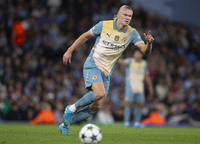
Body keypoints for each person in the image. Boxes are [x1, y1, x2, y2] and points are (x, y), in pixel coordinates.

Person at [58, 5, 154, 135]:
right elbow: (85, 36)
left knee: (96, 106)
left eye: (130, 16)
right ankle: (71, 108)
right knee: (99, 93)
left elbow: (145, 52)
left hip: (106, 73)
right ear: (118, 15)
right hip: (93, 64)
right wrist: (69, 50)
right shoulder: (103, 25)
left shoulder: (132, 33)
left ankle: (65, 124)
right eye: (125, 15)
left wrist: (149, 44)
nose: (127, 18)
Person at [118, 49, 154, 128]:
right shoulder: (130, 61)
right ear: (134, 54)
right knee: (128, 104)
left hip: (140, 86)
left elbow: (146, 76)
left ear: (142, 55)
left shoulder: (144, 64)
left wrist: (150, 87)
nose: (138, 55)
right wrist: (115, 57)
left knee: (139, 104)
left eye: (139, 54)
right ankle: (126, 122)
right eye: (136, 53)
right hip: (130, 86)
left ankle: (137, 122)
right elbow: (122, 62)